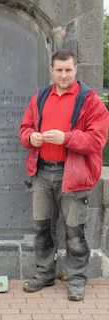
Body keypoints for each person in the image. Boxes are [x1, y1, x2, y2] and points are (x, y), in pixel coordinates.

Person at [19, 49, 109, 301]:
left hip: (73, 176)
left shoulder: (89, 100)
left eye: (68, 69)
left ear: (75, 69)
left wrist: (66, 138)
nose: (64, 75)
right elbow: (24, 128)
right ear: (51, 70)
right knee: (41, 228)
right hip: (42, 172)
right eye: (59, 70)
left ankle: (77, 279)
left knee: (74, 230)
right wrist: (31, 137)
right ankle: (45, 274)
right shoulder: (41, 97)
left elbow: (97, 139)